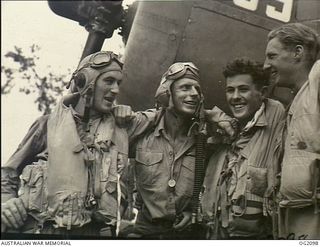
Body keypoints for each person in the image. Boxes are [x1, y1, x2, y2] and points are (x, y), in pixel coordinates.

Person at [1, 51, 156, 238]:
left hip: (94, 235)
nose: (116, 90)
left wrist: (129, 114)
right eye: (109, 81)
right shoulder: (46, 125)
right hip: (43, 232)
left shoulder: (122, 127)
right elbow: (8, 174)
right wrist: (6, 203)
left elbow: (167, 116)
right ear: (85, 82)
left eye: (118, 83)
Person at [124, 62, 236, 239]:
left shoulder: (203, 138)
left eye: (197, 90)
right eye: (185, 88)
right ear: (166, 93)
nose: (194, 94)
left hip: (187, 234)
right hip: (145, 232)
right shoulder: (143, 133)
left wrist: (210, 114)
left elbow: (237, 137)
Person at [201, 58, 286, 239]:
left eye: (244, 89)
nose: (235, 96)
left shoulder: (275, 116)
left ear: (262, 92)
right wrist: (217, 118)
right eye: (230, 90)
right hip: (218, 233)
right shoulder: (228, 133)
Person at [263, 23, 320, 239]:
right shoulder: (297, 101)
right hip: (295, 216)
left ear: (298, 52)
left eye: (272, 56)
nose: (266, 65)